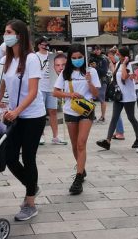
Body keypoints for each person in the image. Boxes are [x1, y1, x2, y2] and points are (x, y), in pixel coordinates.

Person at [0, 19, 45, 221]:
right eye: (5, 31)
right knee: (9, 157)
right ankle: (32, 185)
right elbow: (1, 87)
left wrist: (17, 111)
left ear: (20, 35)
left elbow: (33, 92)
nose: (5, 35)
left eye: (9, 32)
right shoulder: (6, 60)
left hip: (33, 115)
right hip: (13, 115)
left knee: (29, 157)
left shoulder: (31, 59)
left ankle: (30, 202)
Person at [53, 46, 100, 195]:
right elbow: (55, 92)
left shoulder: (91, 71)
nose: (76, 60)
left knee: (81, 143)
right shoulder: (65, 73)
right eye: (73, 58)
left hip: (86, 110)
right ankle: (81, 167)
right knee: (74, 145)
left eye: (79, 57)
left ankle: (78, 178)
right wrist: (70, 94)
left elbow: (96, 94)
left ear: (84, 57)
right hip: (70, 111)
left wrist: (90, 82)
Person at [97, 47, 138, 150]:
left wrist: (125, 64)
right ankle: (107, 141)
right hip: (119, 96)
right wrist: (112, 64)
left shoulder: (132, 65)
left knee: (131, 117)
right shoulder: (118, 64)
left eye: (118, 54)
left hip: (129, 97)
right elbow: (115, 77)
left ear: (124, 55)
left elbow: (124, 77)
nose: (116, 55)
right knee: (114, 117)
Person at [35, 37, 65, 145]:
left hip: (52, 87)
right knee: (41, 113)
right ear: (39, 45)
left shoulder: (52, 56)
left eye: (47, 43)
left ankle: (55, 136)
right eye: (44, 43)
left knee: (53, 111)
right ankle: (40, 135)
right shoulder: (35, 56)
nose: (46, 45)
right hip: (40, 88)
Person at [89, 45, 110, 123]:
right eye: (95, 49)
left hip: (101, 80)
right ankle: (92, 116)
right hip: (93, 81)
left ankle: (103, 116)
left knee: (102, 99)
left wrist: (96, 67)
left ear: (100, 50)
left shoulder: (104, 59)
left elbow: (104, 72)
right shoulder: (91, 58)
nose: (96, 51)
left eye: (98, 49)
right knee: (91, 99)